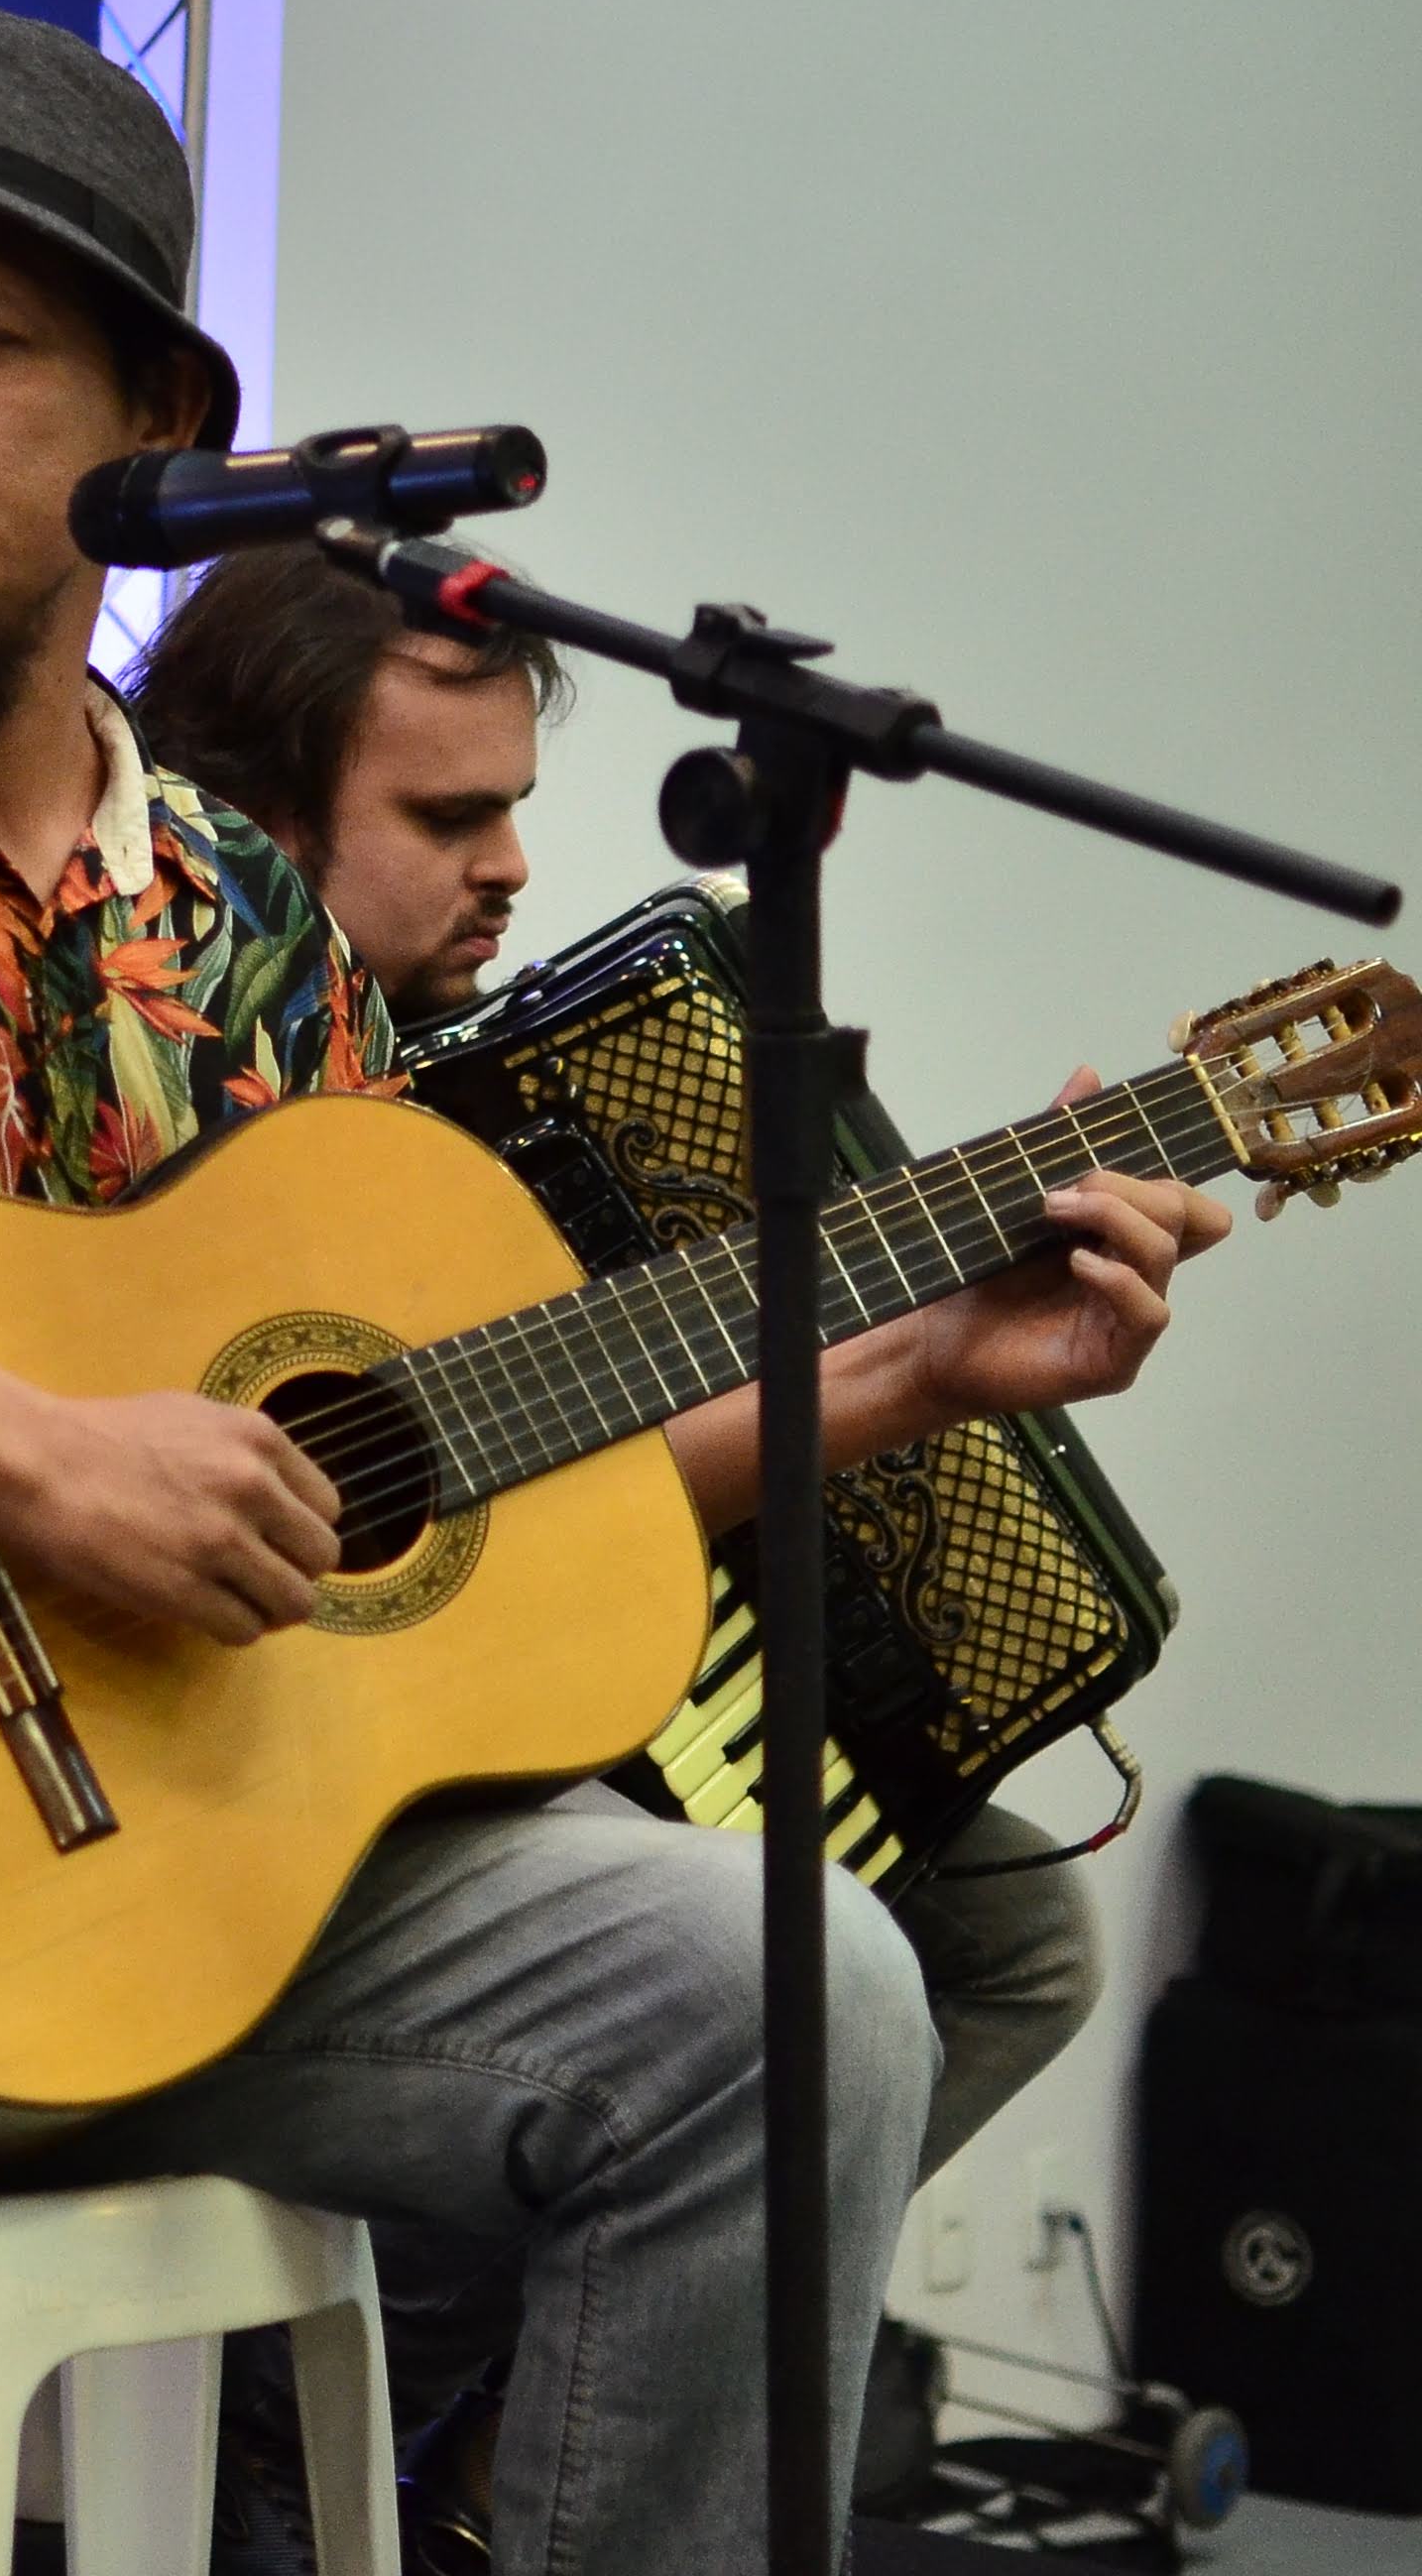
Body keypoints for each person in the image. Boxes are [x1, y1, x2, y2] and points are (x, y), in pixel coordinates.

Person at [0, 1, 1230, 2576]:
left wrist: (923, 1365)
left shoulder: (242, 910)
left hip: (165, 1893)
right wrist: (36, 1459)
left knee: (803, 1989)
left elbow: (444, 1475)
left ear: (156, 423)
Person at [132, 542, 1105, 2174]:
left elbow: (528, 1480)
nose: (513, 867)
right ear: (260, 820)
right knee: (772, 1961)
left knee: (1020, 1925)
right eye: (448, 819)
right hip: (220, 1735)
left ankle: (576, 2328)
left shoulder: (416, 1084)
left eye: (513, 807)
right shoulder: (163, 1053)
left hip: (451, 1657)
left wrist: (933, 1349)